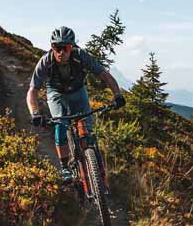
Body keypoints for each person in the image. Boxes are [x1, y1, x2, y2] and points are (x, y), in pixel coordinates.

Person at [27, 25, 125, 176]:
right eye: (57, 47)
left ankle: (90, 161)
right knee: (60, 126)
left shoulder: (80, 56)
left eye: (65, 47)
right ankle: (65, 167)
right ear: (52, 47)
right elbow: (32, 91)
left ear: (71, 47)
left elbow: (104, 75)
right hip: (56, 93)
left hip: (78, 90)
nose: (61, 52)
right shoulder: (46, 61)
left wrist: (117, 95)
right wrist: (35, 113)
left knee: (86, 129)